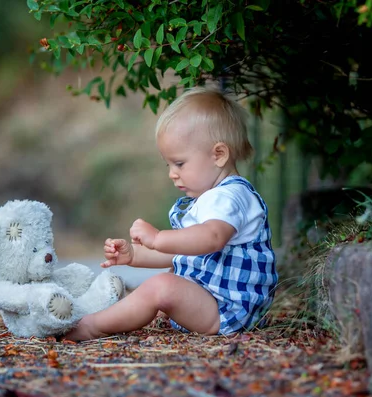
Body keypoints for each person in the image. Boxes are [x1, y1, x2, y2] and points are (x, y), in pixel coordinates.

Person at [64, 86, 278, 341]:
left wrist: (157, 238)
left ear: (218, 155)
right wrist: (134, 255)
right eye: (169, 164)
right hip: (214, 303)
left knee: (161, 287)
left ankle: (93, 326)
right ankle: (109, 314)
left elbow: (211, 238)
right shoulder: (210, 199)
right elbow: (182, 251)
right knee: (167, 280)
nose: (172, 173)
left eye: (180, 163)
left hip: (228, 310)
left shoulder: (229, 197)